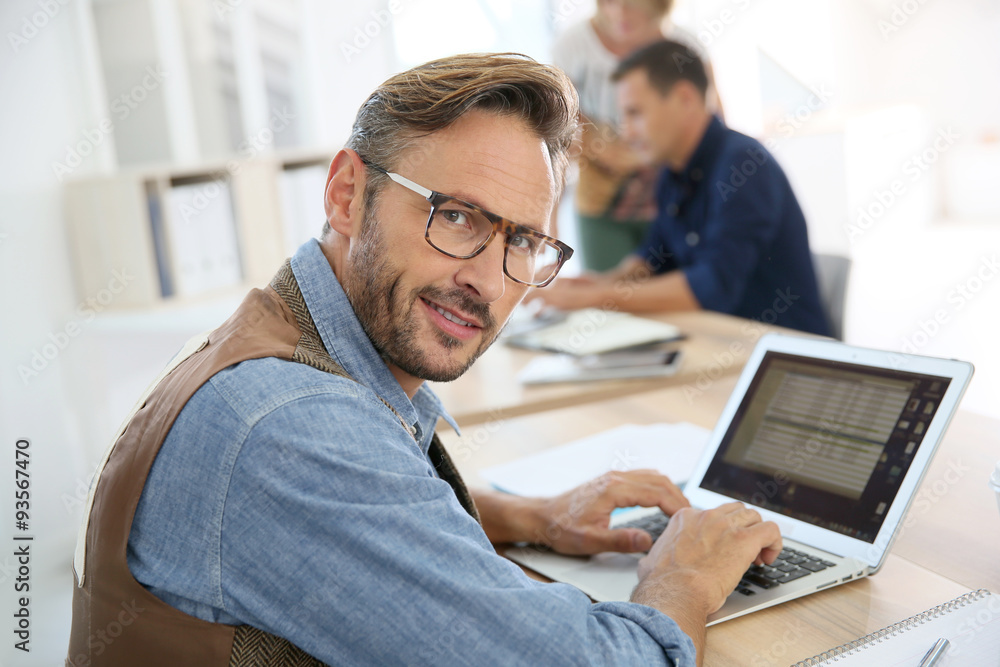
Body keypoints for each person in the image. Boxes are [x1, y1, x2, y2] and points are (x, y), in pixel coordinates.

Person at [67, 53, 781, 666]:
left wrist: (528, 515)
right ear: (347, 194)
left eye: (522, 241)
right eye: (457, 216)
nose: (490, 282)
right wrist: (681, 578)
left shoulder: (274, 344)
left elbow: (355, 517)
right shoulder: (290, 428)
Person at [539, 40, 830, 337]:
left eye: (635, 113)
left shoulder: (745, 166)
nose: (625, 132)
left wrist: (592, 299)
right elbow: (654, 257)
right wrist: (595, 284)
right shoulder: (672, 170)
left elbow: (711, 288)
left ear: (685, 99)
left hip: (783, 351)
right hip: (719, 342)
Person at [552, 0, 723, 271]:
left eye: (632, 3)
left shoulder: (685, 49)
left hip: (673, 203)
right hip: (601, 202)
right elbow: (560, 136)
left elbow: (712, 130)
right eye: (610, 2)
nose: (619, 12)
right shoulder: (573, 45)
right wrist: (550, 214)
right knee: (611, 289)